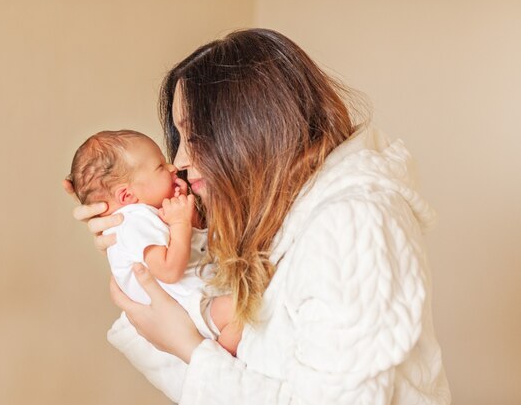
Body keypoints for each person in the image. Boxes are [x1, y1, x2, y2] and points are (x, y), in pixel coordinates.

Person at [64, 28, 451, 404]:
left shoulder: (352, 226)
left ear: (249, 130)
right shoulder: (280, 225)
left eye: (193, 136)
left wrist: (188, 346)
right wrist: (132, 235)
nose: (179, 162)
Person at [67, 129, 242, 354]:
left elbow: (195, 249)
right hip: (189, 311)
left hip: (195, 303)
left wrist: (189, 218)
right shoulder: (132, 222)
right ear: (126, 196)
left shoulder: (146, 217)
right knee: (240, 312)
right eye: (160, 166)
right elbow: (169, 271)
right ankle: (220, 358)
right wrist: (180, 224)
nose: (172, 167)